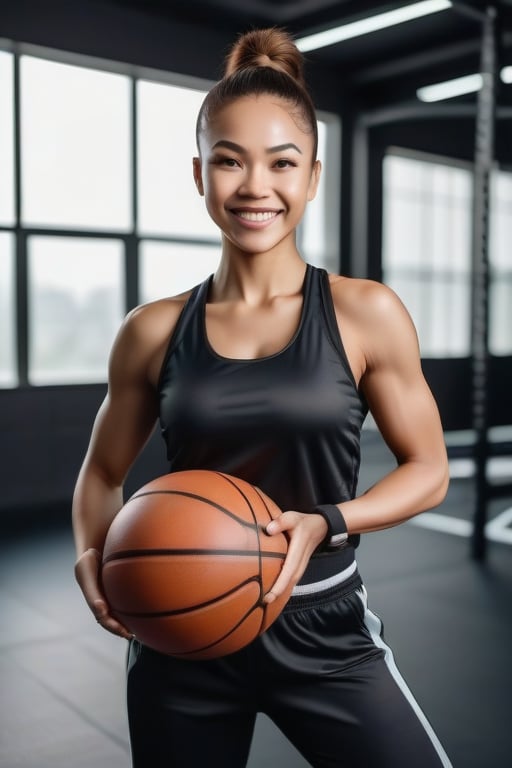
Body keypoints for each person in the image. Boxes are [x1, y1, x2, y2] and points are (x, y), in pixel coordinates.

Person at [72, 26, 453, 768]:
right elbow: (101, 473)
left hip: (324, 627)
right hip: (179, 630)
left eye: (282, 164)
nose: (255, 187)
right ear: (199, 173)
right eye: (229, 161)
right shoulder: (151, 331)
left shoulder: (364, 311)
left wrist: (328, 521)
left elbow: (428, 468)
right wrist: (92, 548)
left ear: (312, 176)